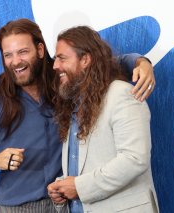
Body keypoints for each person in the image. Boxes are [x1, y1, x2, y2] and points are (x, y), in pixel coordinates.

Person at [0, 18, 155, 212]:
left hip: (67, 202)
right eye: (8, 55)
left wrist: (141, 62)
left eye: (23, 52)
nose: (15, 61)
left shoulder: (64, 79)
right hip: (18, 207)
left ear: (40, 50)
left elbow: (100, 64)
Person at [47, 25, 159, 213]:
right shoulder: (73, 104)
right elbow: (85, 166)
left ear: (85, 60)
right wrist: (63, 188)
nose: (55, 66)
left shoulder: (121, 94)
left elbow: (134, 159)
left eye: (62, 58)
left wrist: (79, 187)